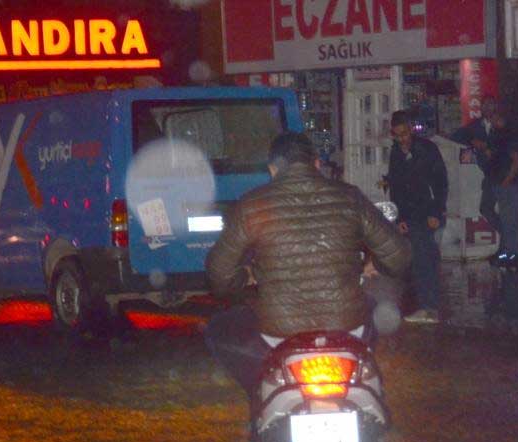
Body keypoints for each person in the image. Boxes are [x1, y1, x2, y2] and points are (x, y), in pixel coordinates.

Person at [204, 132, 410, 403]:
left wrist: (246, 277)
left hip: (279, 333)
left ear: (273, 169)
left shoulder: (252, 205)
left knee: (219, 328)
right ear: (316, 164)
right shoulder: (350, 197)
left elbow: (218, 277)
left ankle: (261, 396)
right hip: (346, 327)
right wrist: (372, 264)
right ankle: (367, 389)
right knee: (375, 309)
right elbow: (399, 256)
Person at [386, 110, 448, 324]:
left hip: (426, 212)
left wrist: (436, 212)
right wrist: (400, 217)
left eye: (404, 133)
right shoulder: (396, 153)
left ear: (411, 129)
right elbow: (396, 187)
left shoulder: (427, 149)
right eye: (397, 134)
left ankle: (429, 307)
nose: (402, 138)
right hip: (410, 214)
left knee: (425, 259)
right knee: (420, 260)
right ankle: (428, 306)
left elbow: (440, 182)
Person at [450, 98, 500, 245]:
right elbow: (457, 137)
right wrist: (472, 142)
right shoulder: (474, 126)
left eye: (492, 106)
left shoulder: (503, 125)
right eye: (486, 106)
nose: (489, 109)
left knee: (502, 210)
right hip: (488, 175)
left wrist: (488, 146)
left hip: (504, 175)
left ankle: (509, 243)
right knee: (486, 208)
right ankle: (506, 240)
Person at [485, 111, 518, 267]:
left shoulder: (507, 137)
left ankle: (513, 252)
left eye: (497, 118)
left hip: (509, 183)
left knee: (509, 219)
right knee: (506, 218)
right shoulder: (496, 137)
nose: (494, 121)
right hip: (501, 182)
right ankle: (508, 251)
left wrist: (508, 179)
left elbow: (516, 160)